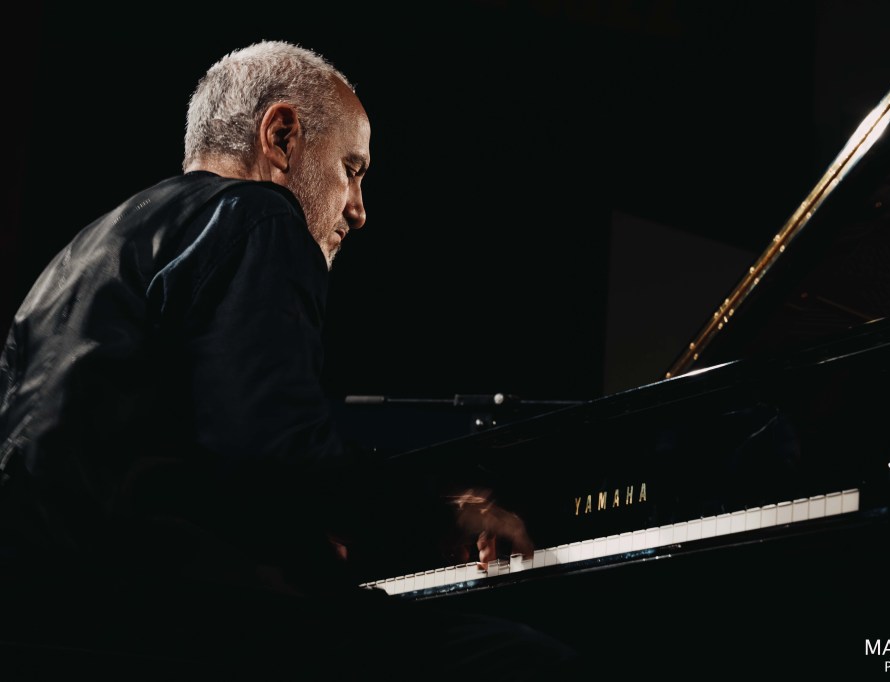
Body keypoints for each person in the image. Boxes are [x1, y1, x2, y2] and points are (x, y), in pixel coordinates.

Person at [0, 41, 574, 679]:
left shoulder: (81, 251)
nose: (358, 209)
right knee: (527, 661)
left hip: (49, 612)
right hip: (172, 618)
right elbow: (274, 454)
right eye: (351, 169)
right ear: (281, 136)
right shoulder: (256, 214)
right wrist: (440, 515)